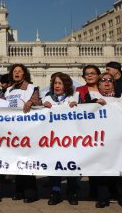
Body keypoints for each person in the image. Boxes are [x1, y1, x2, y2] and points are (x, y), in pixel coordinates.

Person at [85, 72, 122, 210]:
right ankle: (103, 198)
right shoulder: (92, 97)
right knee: (102, 169)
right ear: (98, 84)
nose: (106, 83)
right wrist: (95, 104)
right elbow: (84, 113)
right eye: (103, 80)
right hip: (102, 141)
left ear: (114, 83)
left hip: (121, 140)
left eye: (109, 80)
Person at [4, 63, 41, 203]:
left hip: (27, 130)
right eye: (14, 71)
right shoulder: (8, 91)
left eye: (19, 71)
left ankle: (31, 192)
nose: (17, 73)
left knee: (27, 161)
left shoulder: (32, 88)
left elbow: (37, 102)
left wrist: (31, 102)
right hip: (12, 130)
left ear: (24, 74)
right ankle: (19, 191)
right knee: (16, 161)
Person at [42, 72, 80, 206]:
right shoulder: (47, 98)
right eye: (55, 84)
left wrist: (77, 106)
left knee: (70, 166)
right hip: (53, 139)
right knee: (55, 166)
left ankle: (72, 192)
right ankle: (55, 192)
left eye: (60, 83)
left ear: (66, 85)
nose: (56, 86)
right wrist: (43, 107)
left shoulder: (74, 97)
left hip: (70, 139)